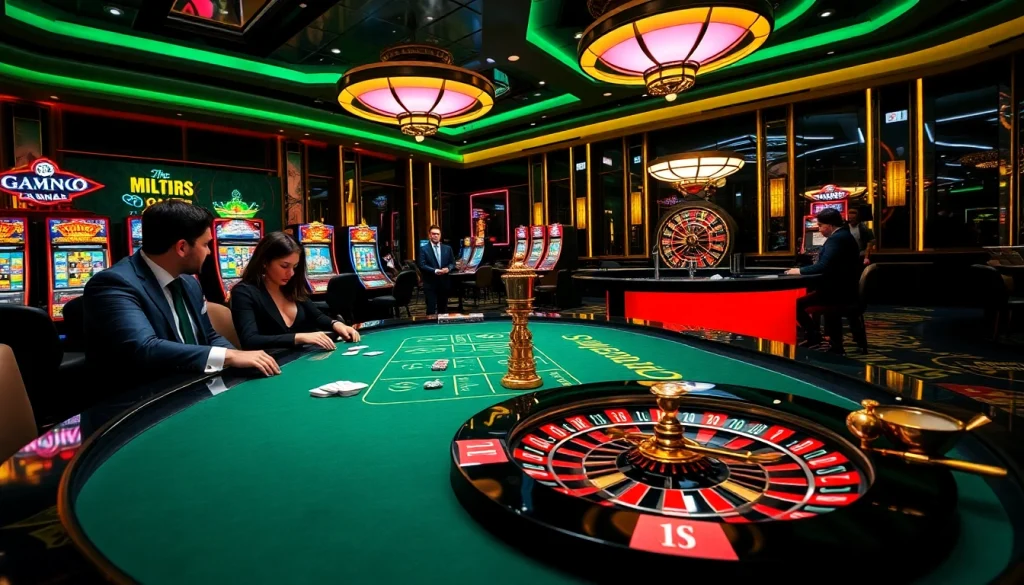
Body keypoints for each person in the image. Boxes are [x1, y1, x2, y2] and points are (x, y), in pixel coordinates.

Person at [84, 200, 281, 377]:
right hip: (142, 400)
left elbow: (208, 336)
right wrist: (228, 356)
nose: (210, 252)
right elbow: (143, 348)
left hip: (192, 383)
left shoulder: (189, 282)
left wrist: (240, 358)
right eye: (205, 244)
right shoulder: (114, 283)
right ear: (182, 248)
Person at [230, 231, 360, 350]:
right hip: (270, 365)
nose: (291, 273)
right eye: (284, 266)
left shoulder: (292, 288)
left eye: (295, 267)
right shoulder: (243, 293)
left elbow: (317, 316)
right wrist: (299, 337)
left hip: (301, 359)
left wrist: (336, 324)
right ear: (264, 262)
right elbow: (250, 340)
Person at [785, 208, 861, 353]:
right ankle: (819, 338)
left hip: (838, 294)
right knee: (802, 303)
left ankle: (817, 338)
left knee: (797, 305)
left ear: (830, 225)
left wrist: (798, 271)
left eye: (820, 226)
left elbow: (823, 266)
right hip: (844, 290)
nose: (818, 229)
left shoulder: (837, 238)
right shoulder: (844, 235)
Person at [417, 225, 456, 315]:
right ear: (429, 235)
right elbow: (422, 265)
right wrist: (435, 271)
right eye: (433, 234)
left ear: (440, 235)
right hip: (430, 283)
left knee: (443, 309)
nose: (435, 236)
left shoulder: (447, 248)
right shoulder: (423, 249)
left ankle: (443, 328)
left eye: (437, 234)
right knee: (431, 309)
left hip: (444, 282)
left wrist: (448, 268)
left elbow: (452, 263)